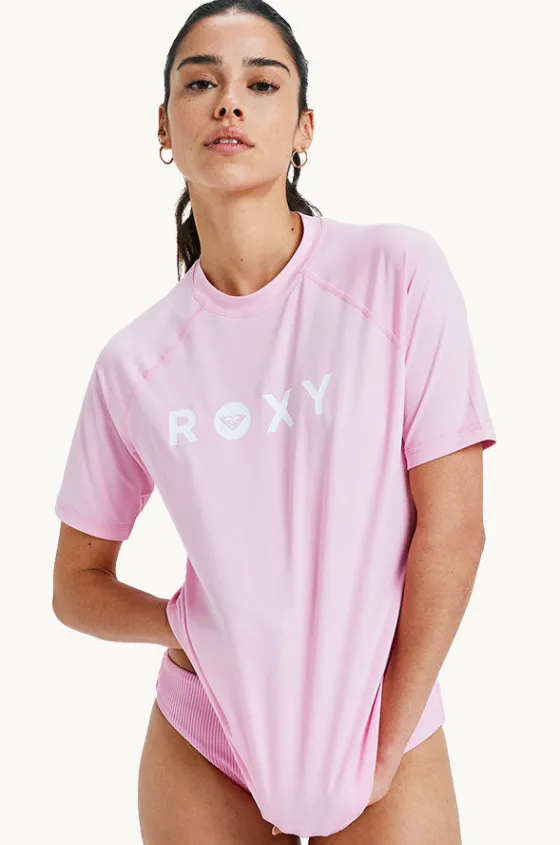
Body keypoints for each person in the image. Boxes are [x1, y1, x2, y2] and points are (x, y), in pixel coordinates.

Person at [51, 1, 497, 842]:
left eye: (261, 84)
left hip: (383, 715)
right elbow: (75, 584)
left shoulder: (395, 273)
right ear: (164, 127)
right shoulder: (135, 362)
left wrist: (383, 748)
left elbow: (456, 528)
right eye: (200, 83)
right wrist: (178, 626)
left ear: (303, 128)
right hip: (206, 737)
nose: (229, 101)